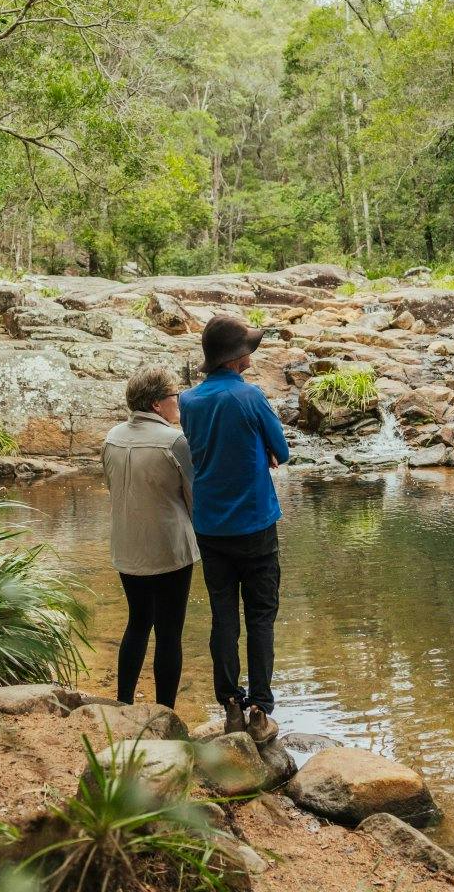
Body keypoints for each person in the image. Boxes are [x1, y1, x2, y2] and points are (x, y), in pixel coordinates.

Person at [179, 314, 289, 742]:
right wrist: (264, 451)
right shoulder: (251, 395)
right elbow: (282, 451)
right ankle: (260, 708)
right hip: (255, 523)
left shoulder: (188, 401)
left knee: (223, 616)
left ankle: (229, 703)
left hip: (210, 525)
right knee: (260, 616)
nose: (251, 354)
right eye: (247, 348)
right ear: (236, 356)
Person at [102, 366, 199, 709]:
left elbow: (113, 487)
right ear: (157, 404)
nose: (179, 402)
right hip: (170, 550)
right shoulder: (175, 441)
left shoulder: (112, 437)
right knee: (169, 632)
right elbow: (194, 498)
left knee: (138, 621)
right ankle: (165, 712)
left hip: (127, 548)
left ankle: (123, 703)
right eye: (175, 395)